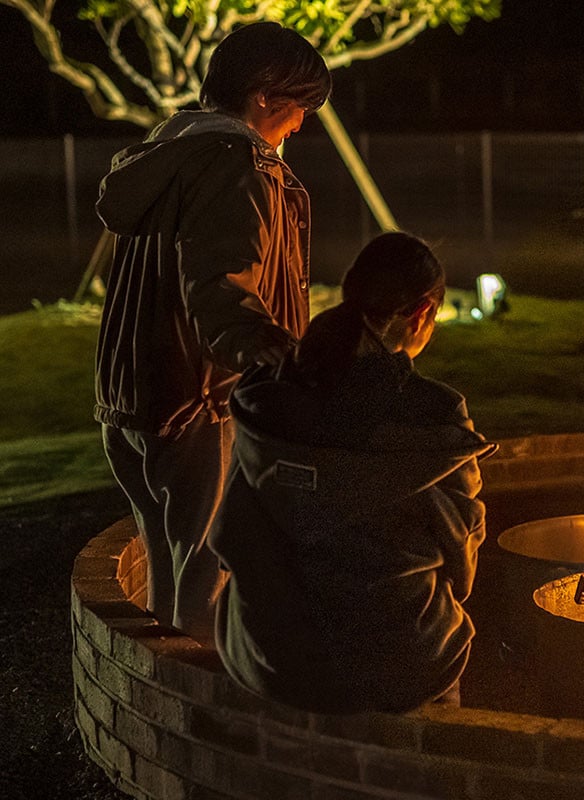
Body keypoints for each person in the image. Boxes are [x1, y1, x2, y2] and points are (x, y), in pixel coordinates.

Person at [93, 21, 331, 642]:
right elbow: (223, 289)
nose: (301, 125)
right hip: (203, 399)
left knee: (169, 578)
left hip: (135, 397)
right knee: (207, 584)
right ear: (264, 97)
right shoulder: (235, 164)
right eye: (300, 108)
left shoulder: (170, 152)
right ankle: (205, 718)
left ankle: (160, 705)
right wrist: (287, 368)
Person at [209, 233, 496, 713]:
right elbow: (463, 555)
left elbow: (234, 524)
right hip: (397, 663)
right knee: (438, 636)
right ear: (423, 312)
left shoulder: (267, 397)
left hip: (269, 655)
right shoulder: (433, 413)